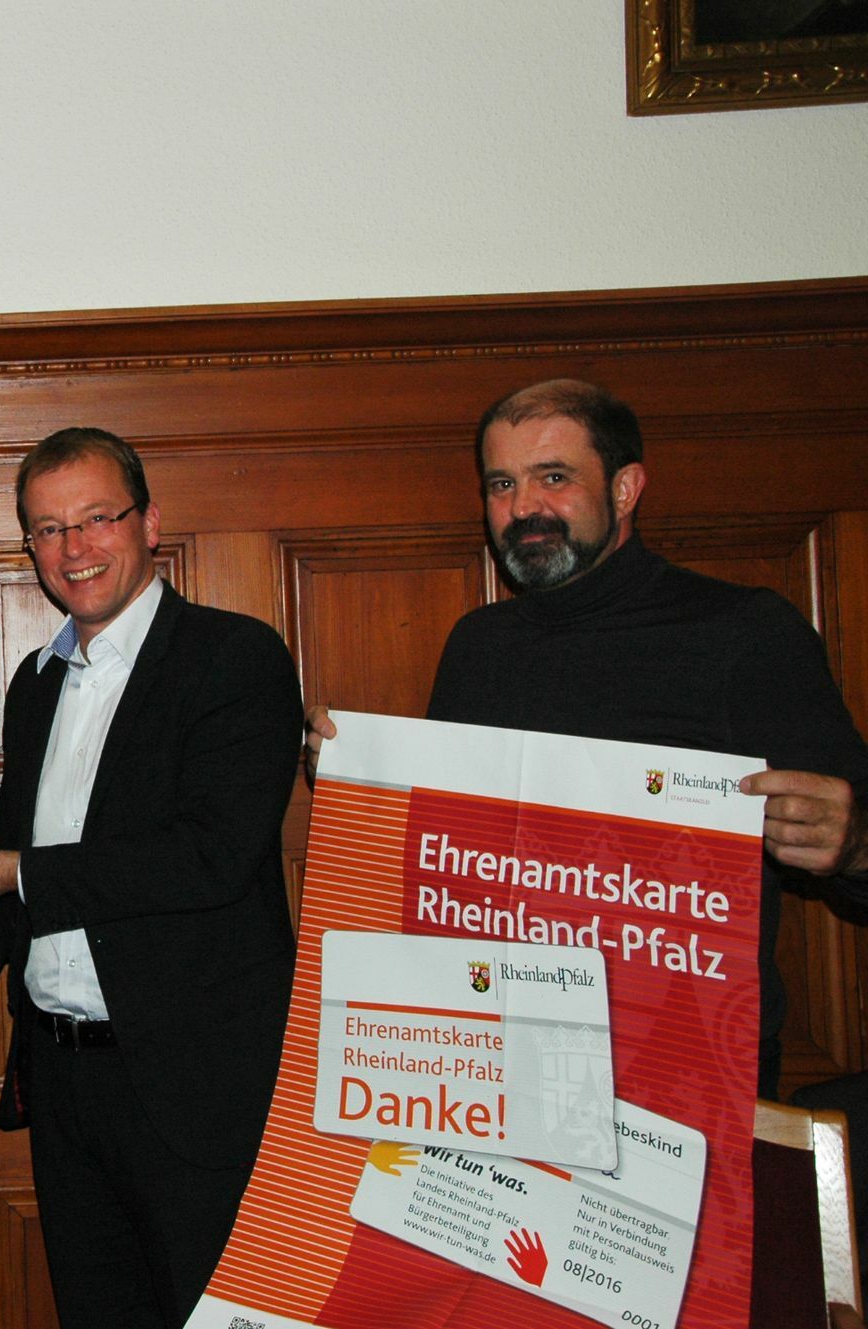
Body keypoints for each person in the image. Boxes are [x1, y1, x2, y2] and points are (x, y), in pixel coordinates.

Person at [308, 378, 868, 1097]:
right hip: (499, 1051)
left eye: (554, 477)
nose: (523, 508)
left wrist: (854, 843)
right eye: (502, 484)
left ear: (625, 489)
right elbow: (454, 853)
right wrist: (364, 781)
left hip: (686, 1066)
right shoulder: (478, 646)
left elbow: (850, 835)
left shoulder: (745, 631)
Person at [0, 428, 304, 1328]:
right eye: (49, 528)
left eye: (97, 517)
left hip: (197, 1088)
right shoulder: (35, 683)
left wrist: (10, 871)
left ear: (150, 522)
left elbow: (213, 854)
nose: (75, 547)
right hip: (66, 1085)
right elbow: (23, 856)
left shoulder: (234, 656)